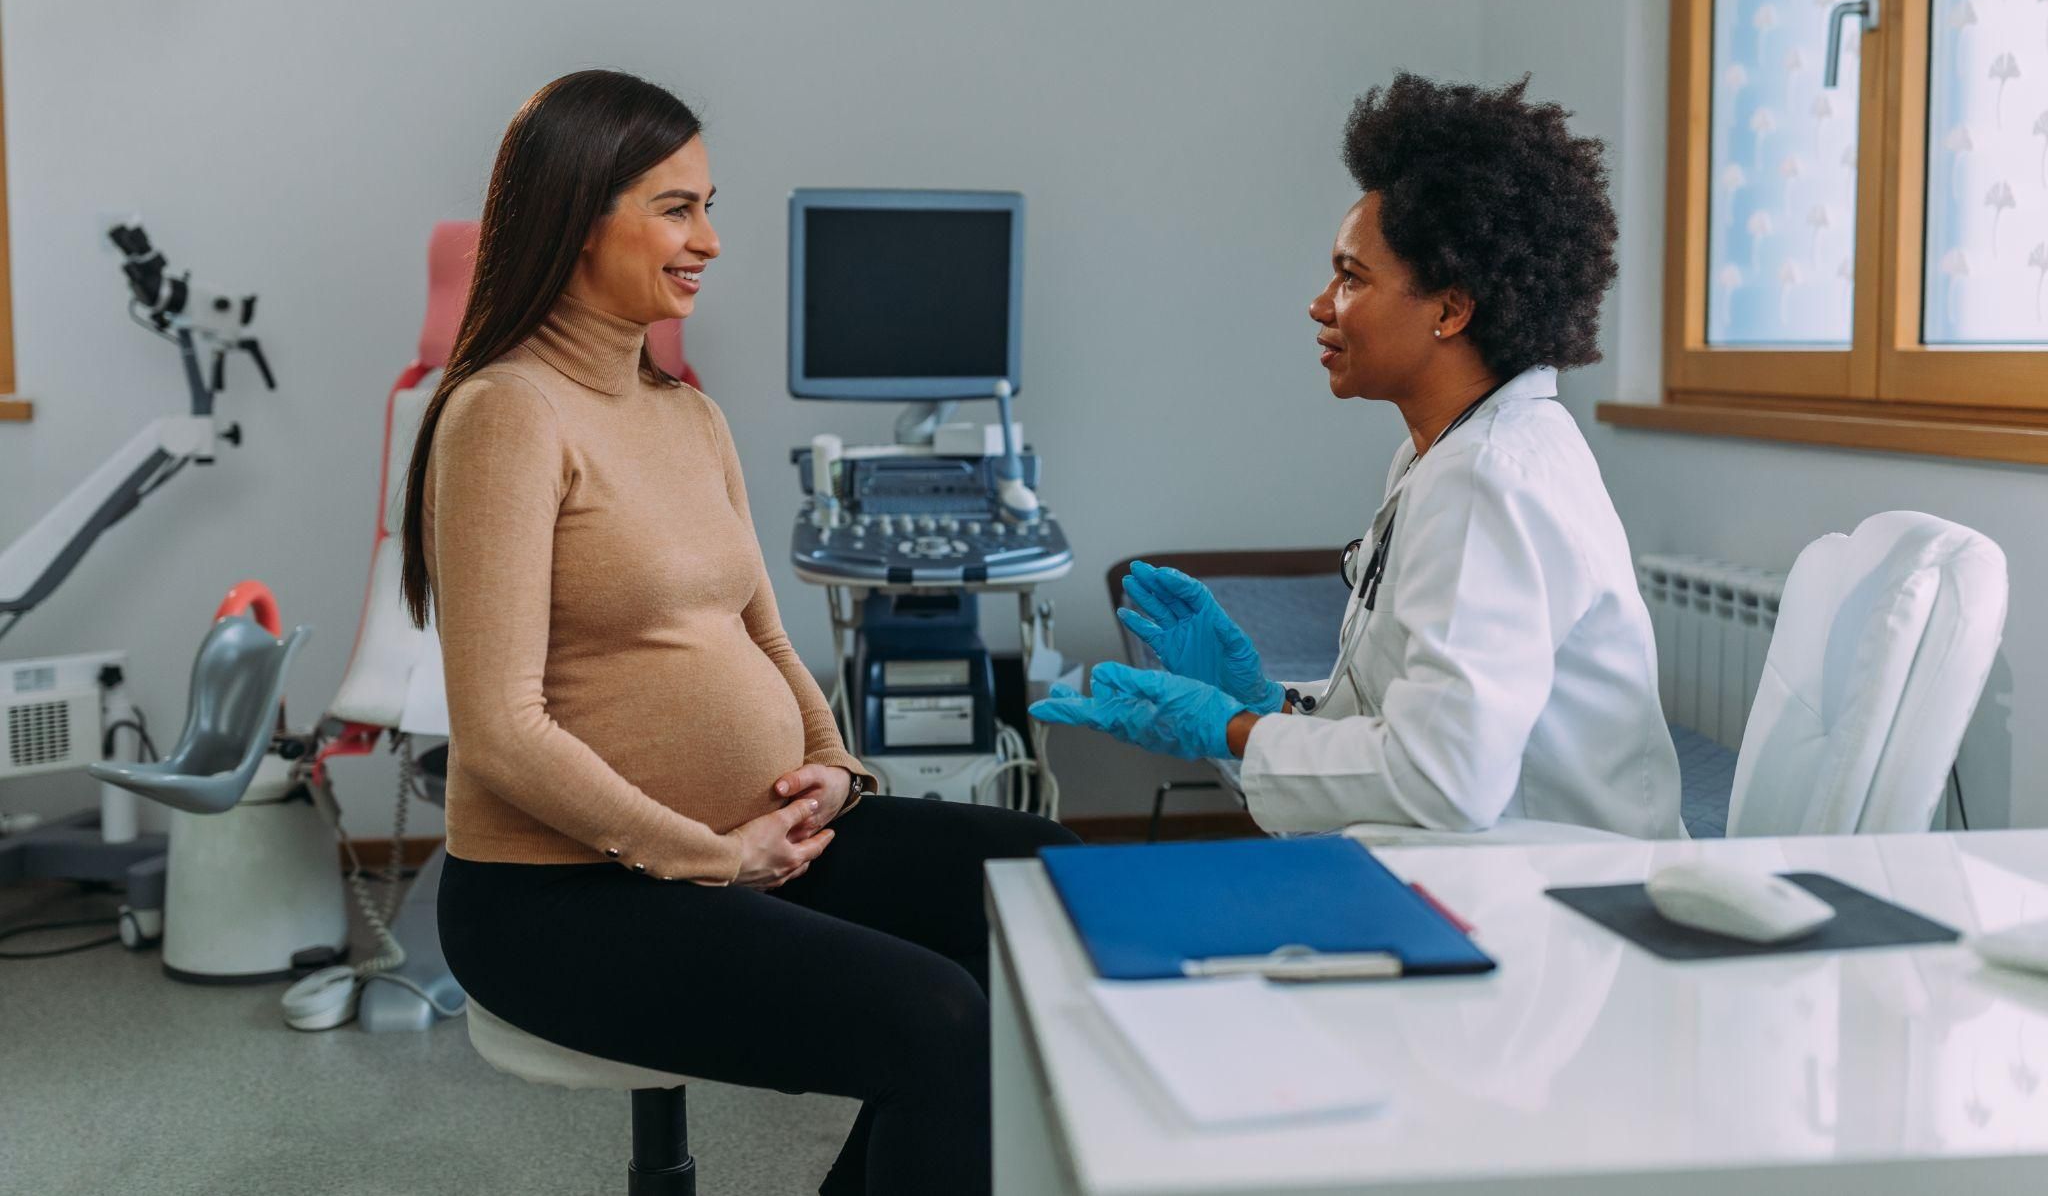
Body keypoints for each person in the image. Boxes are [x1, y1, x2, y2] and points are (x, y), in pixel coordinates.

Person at [403, 69, 1077, 1196]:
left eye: (710, 206)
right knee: (941, 1018)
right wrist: (713, 857)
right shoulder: (507, 415)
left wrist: (835, 769)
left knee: (1051, 893)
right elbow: (500, 731)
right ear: (576, 217)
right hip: (565, 897)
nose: (709, 240)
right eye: (678, 208)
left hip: (754, 848)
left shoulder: (687, 412)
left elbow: (761, 634)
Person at [1034, 72, 1682, 840]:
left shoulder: (1488, 477)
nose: (1320, 304)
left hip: (1565, 893)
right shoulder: (1446, 456)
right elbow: (1402, 719)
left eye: (1351, 277)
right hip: (1505, 863)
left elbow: (1443, 777)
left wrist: (1230, 730)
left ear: (1450, 307)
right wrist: (1266, 701)